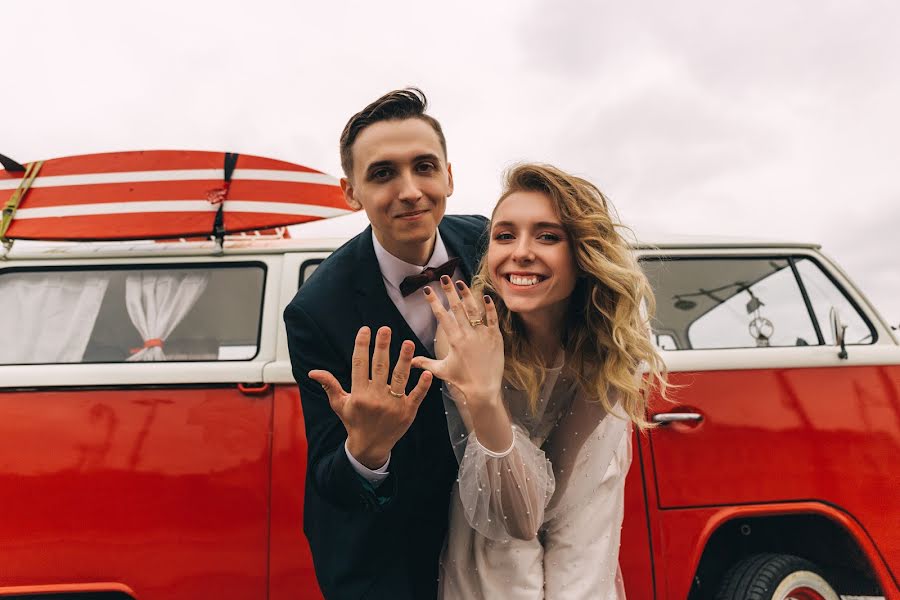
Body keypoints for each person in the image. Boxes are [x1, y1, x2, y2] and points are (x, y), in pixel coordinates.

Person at [410, 164, 669, 599]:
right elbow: (516, 519)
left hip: (580, 500)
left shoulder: (606, 341)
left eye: (547, 236)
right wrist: (484, 397)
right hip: (491, 506)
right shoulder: (466, 327)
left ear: (582, 253)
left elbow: (552, 500)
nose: (521, 253)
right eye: (505, 235)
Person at [283, 88, 488, 599]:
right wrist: (367, 450)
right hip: (387, 557)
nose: (411, 190)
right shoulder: (315, 310)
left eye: (424, 167)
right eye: (382, 174)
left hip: (496, 535)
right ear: (350, 191)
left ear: (449, 176)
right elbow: (329, 477)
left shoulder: (492, 244)